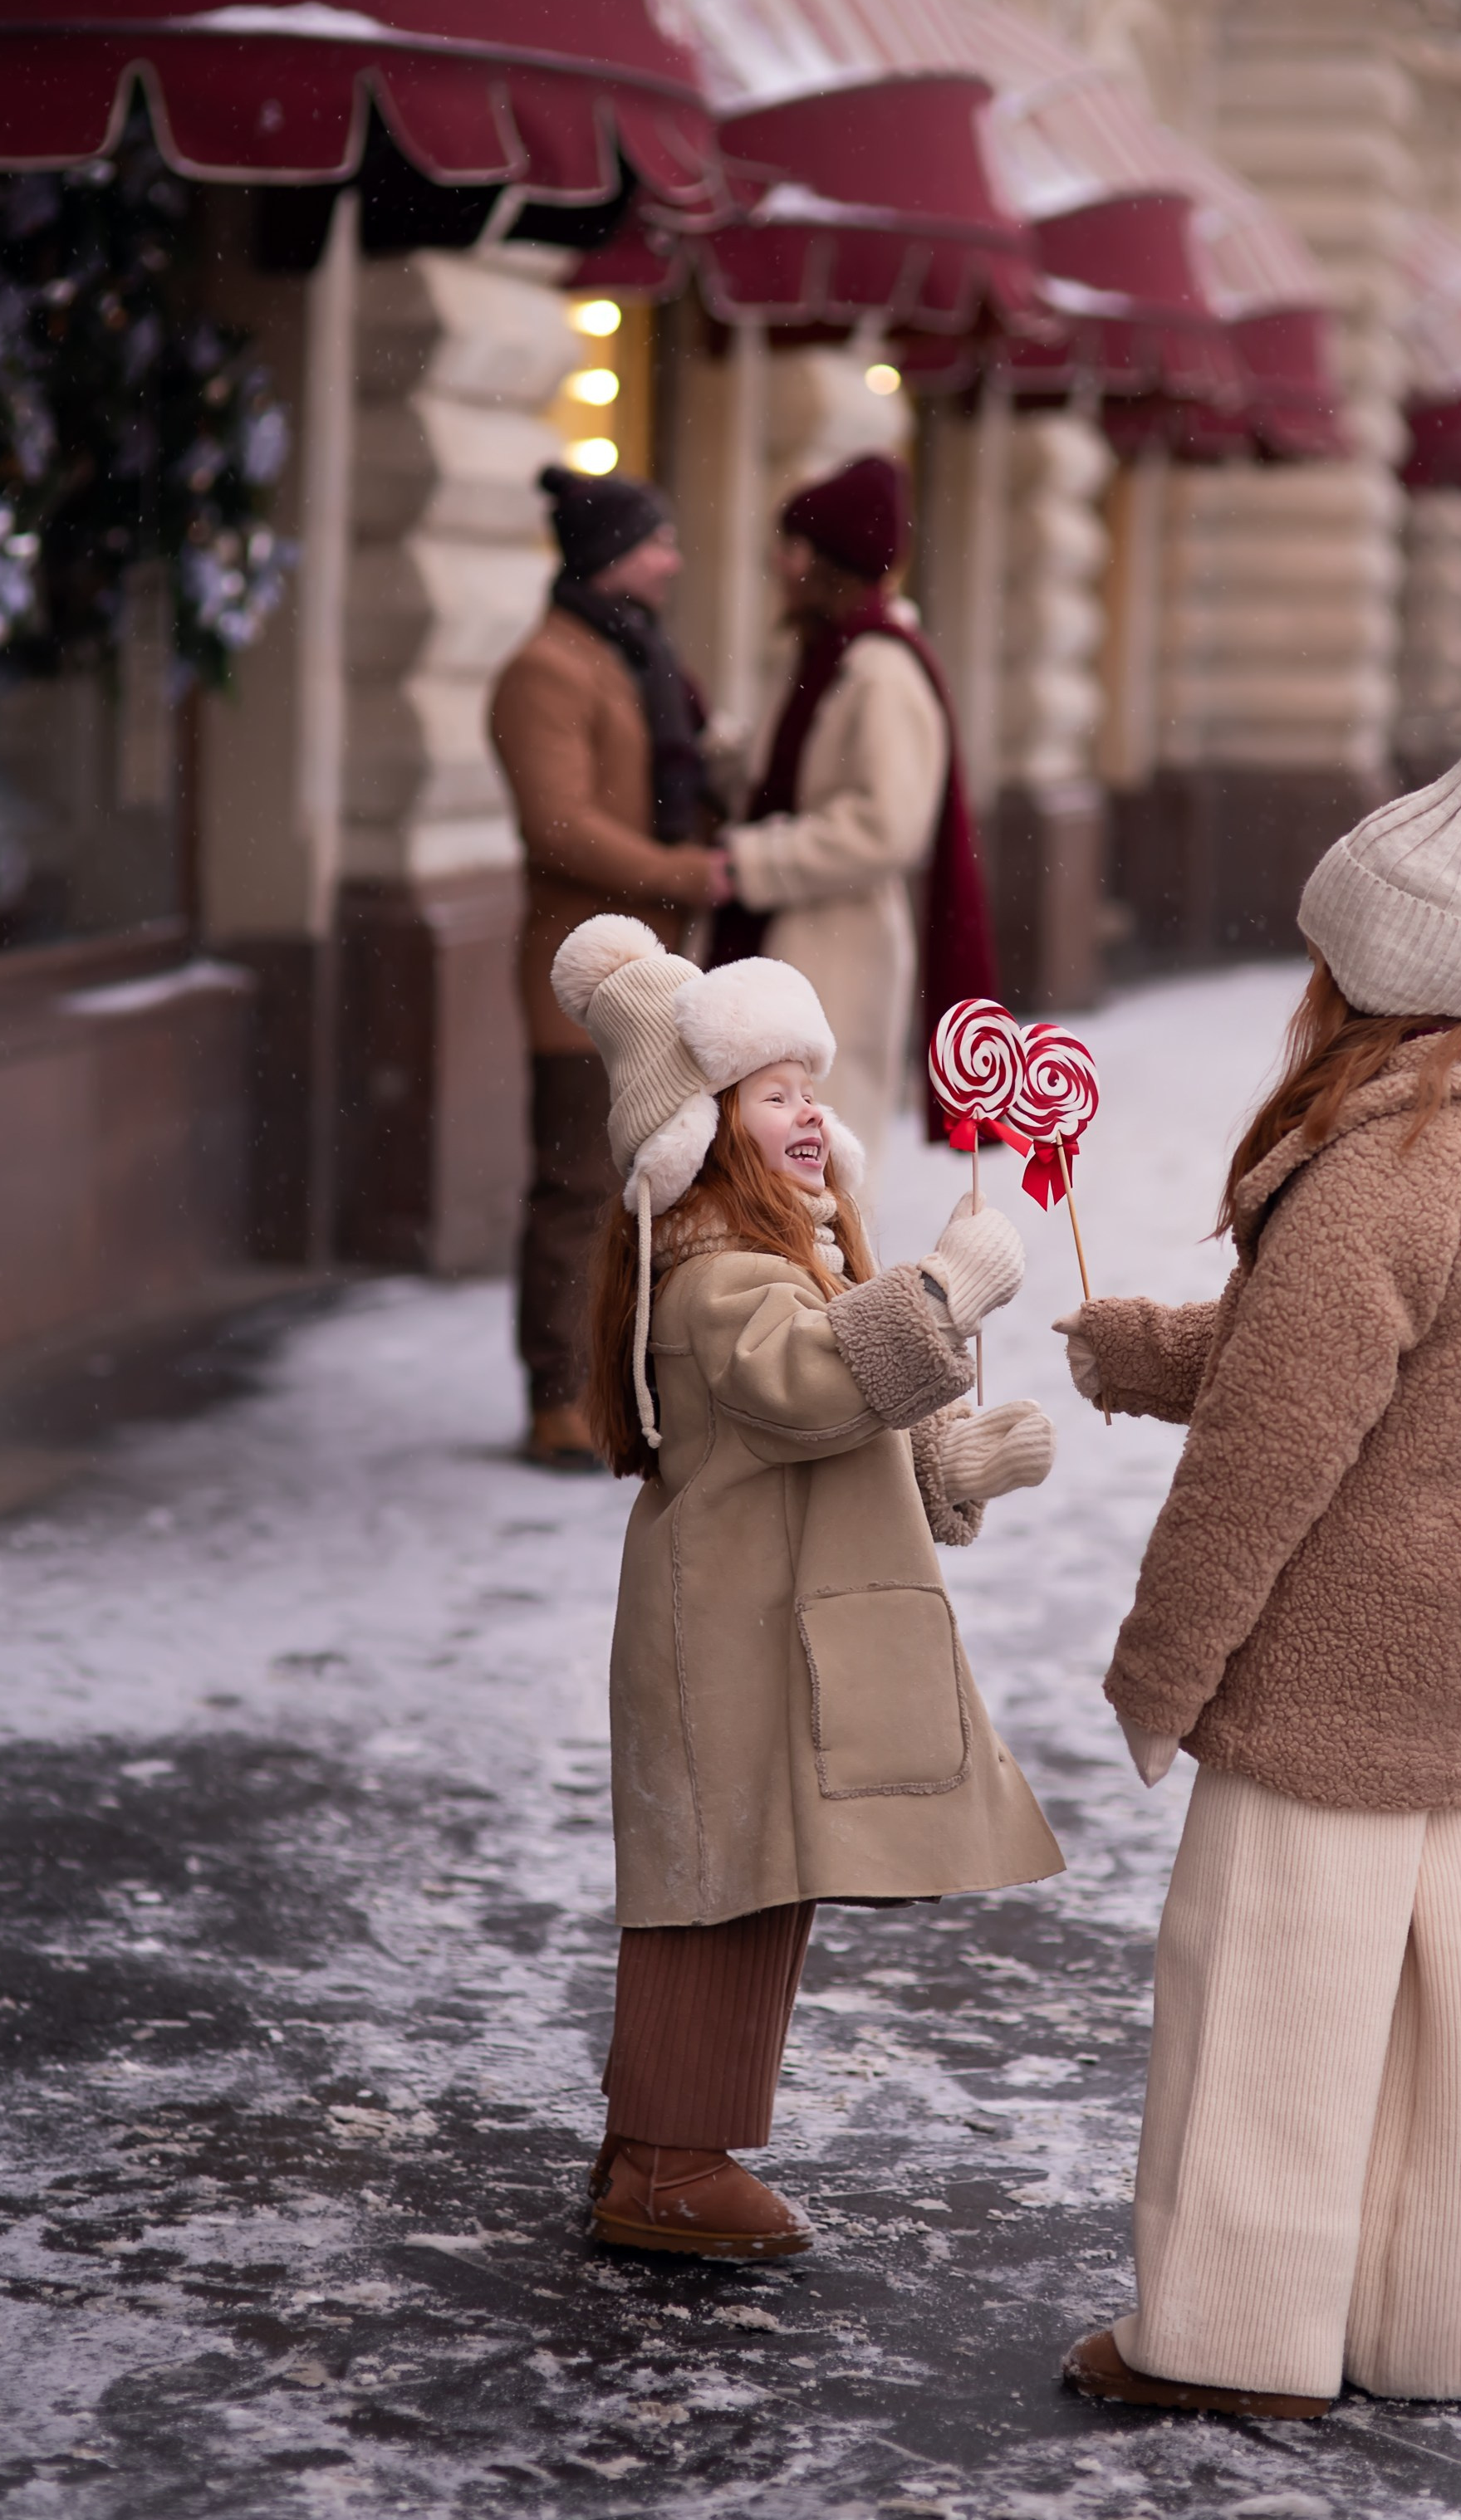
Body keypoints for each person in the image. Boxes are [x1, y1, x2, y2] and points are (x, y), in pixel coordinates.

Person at [1052, 722, 1461, 2419]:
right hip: (1456, 1647)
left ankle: (1222, 2335)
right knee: (1413, 2018)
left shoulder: (1373, 1180)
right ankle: (1415, 2321)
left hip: (1330, 1654)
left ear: (1359, 970)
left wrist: (1159, 1672)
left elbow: (1266, 1466)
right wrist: (1146, 1346)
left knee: (1262, 1992)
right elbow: (1344, 1371)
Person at [552, 910, 1063, 2258]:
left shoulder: (774, 1258)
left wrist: (961, 1465)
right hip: (726, 1638)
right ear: (705, 1126)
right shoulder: (717, 1278)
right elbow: (815, 1386)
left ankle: (656, 2132)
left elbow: (850, 1417)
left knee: (751, 1880)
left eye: (810, 1089)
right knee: (716, 1882)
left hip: (769, 1632)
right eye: (773, 1092)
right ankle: (666, 2161)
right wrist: (947, 1290)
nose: (806, 1111)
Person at [489, 467, 718, 1470]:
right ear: (611, 553)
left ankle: (620, 1386)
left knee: (643, 1183)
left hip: (656, 966)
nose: (673, 559)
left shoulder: (633, 654)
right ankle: (556, 1394)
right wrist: (685, 869)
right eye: (656, 541)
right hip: (579, 977)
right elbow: (561, 825)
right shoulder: (547, 668)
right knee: (579, 1182)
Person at [710, 453, 998, 1197]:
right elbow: (793, 773)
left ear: (828, 561)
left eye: (794, 546)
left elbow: (886, 825)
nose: (779, 562)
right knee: (765, 1168)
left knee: (819, 1173)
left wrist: (751, 860)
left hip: (839, 944)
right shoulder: (823, 657)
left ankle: (826, 1315)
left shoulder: (878, 669)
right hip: (793, 938)